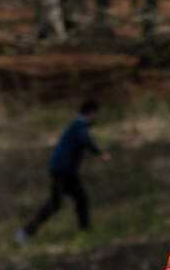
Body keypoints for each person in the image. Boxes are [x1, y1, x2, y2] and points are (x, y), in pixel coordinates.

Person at [18, 100, 106, 242]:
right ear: (91, 113)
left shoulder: (76, 125)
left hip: (61, 169)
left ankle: (26, 233)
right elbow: (85, 140)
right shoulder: (79, 126)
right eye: (96, 114)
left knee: (74, 200)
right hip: (63, 171)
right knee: (61, 203)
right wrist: (100, 153)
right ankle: (25, 233)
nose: (96, 118)